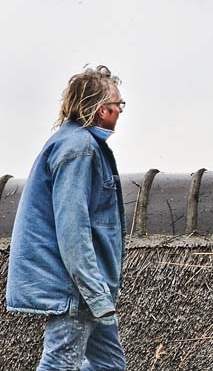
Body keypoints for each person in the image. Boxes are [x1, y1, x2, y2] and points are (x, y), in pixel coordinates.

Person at [6, 65, 127, 370]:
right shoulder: (79, 149)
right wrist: (92, 291)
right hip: (76, 287)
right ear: (101, 110)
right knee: (60, 364)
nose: (120, 112)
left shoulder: (76, 143)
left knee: (108, 365)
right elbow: (73, 228)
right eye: (118, 105)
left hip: (85, 286)